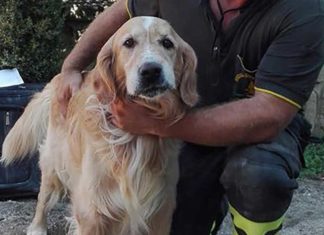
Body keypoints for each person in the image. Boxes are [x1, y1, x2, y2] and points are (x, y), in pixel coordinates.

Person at [58, 0, 324, 234]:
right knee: (168, 218)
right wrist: (72, 66)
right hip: (190, 119)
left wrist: (156, 124)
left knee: (258, 175)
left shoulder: (303, 11)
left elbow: (269, 113)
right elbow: (123, 10)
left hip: (260, 132)